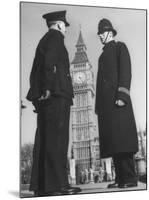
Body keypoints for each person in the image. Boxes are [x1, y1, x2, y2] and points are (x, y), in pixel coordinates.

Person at [26, 10, 81, 196]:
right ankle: (58, 186)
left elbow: (35, 73)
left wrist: (38, 95)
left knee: (45, 141)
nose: (65, 29)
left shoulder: (44, 40)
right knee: (57, 141)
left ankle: (42, 187)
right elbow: (49, 63)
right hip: (57, 95)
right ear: (58, 24)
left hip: (46, 98)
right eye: (64, 25)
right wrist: (49, 88)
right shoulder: (56, 38)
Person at [95, 18, 138, 189]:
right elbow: (99, 83)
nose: (99, 36)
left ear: (110, 33)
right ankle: (120, 178)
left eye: (102, 33)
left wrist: (122, 95)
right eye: (98, 33)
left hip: (119, 103)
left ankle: (130, 178)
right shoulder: (101, 56)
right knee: (114, 144)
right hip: (107, 107)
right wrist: (99, 106)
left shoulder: (120, 47)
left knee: (124, 143)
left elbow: (126, 72)